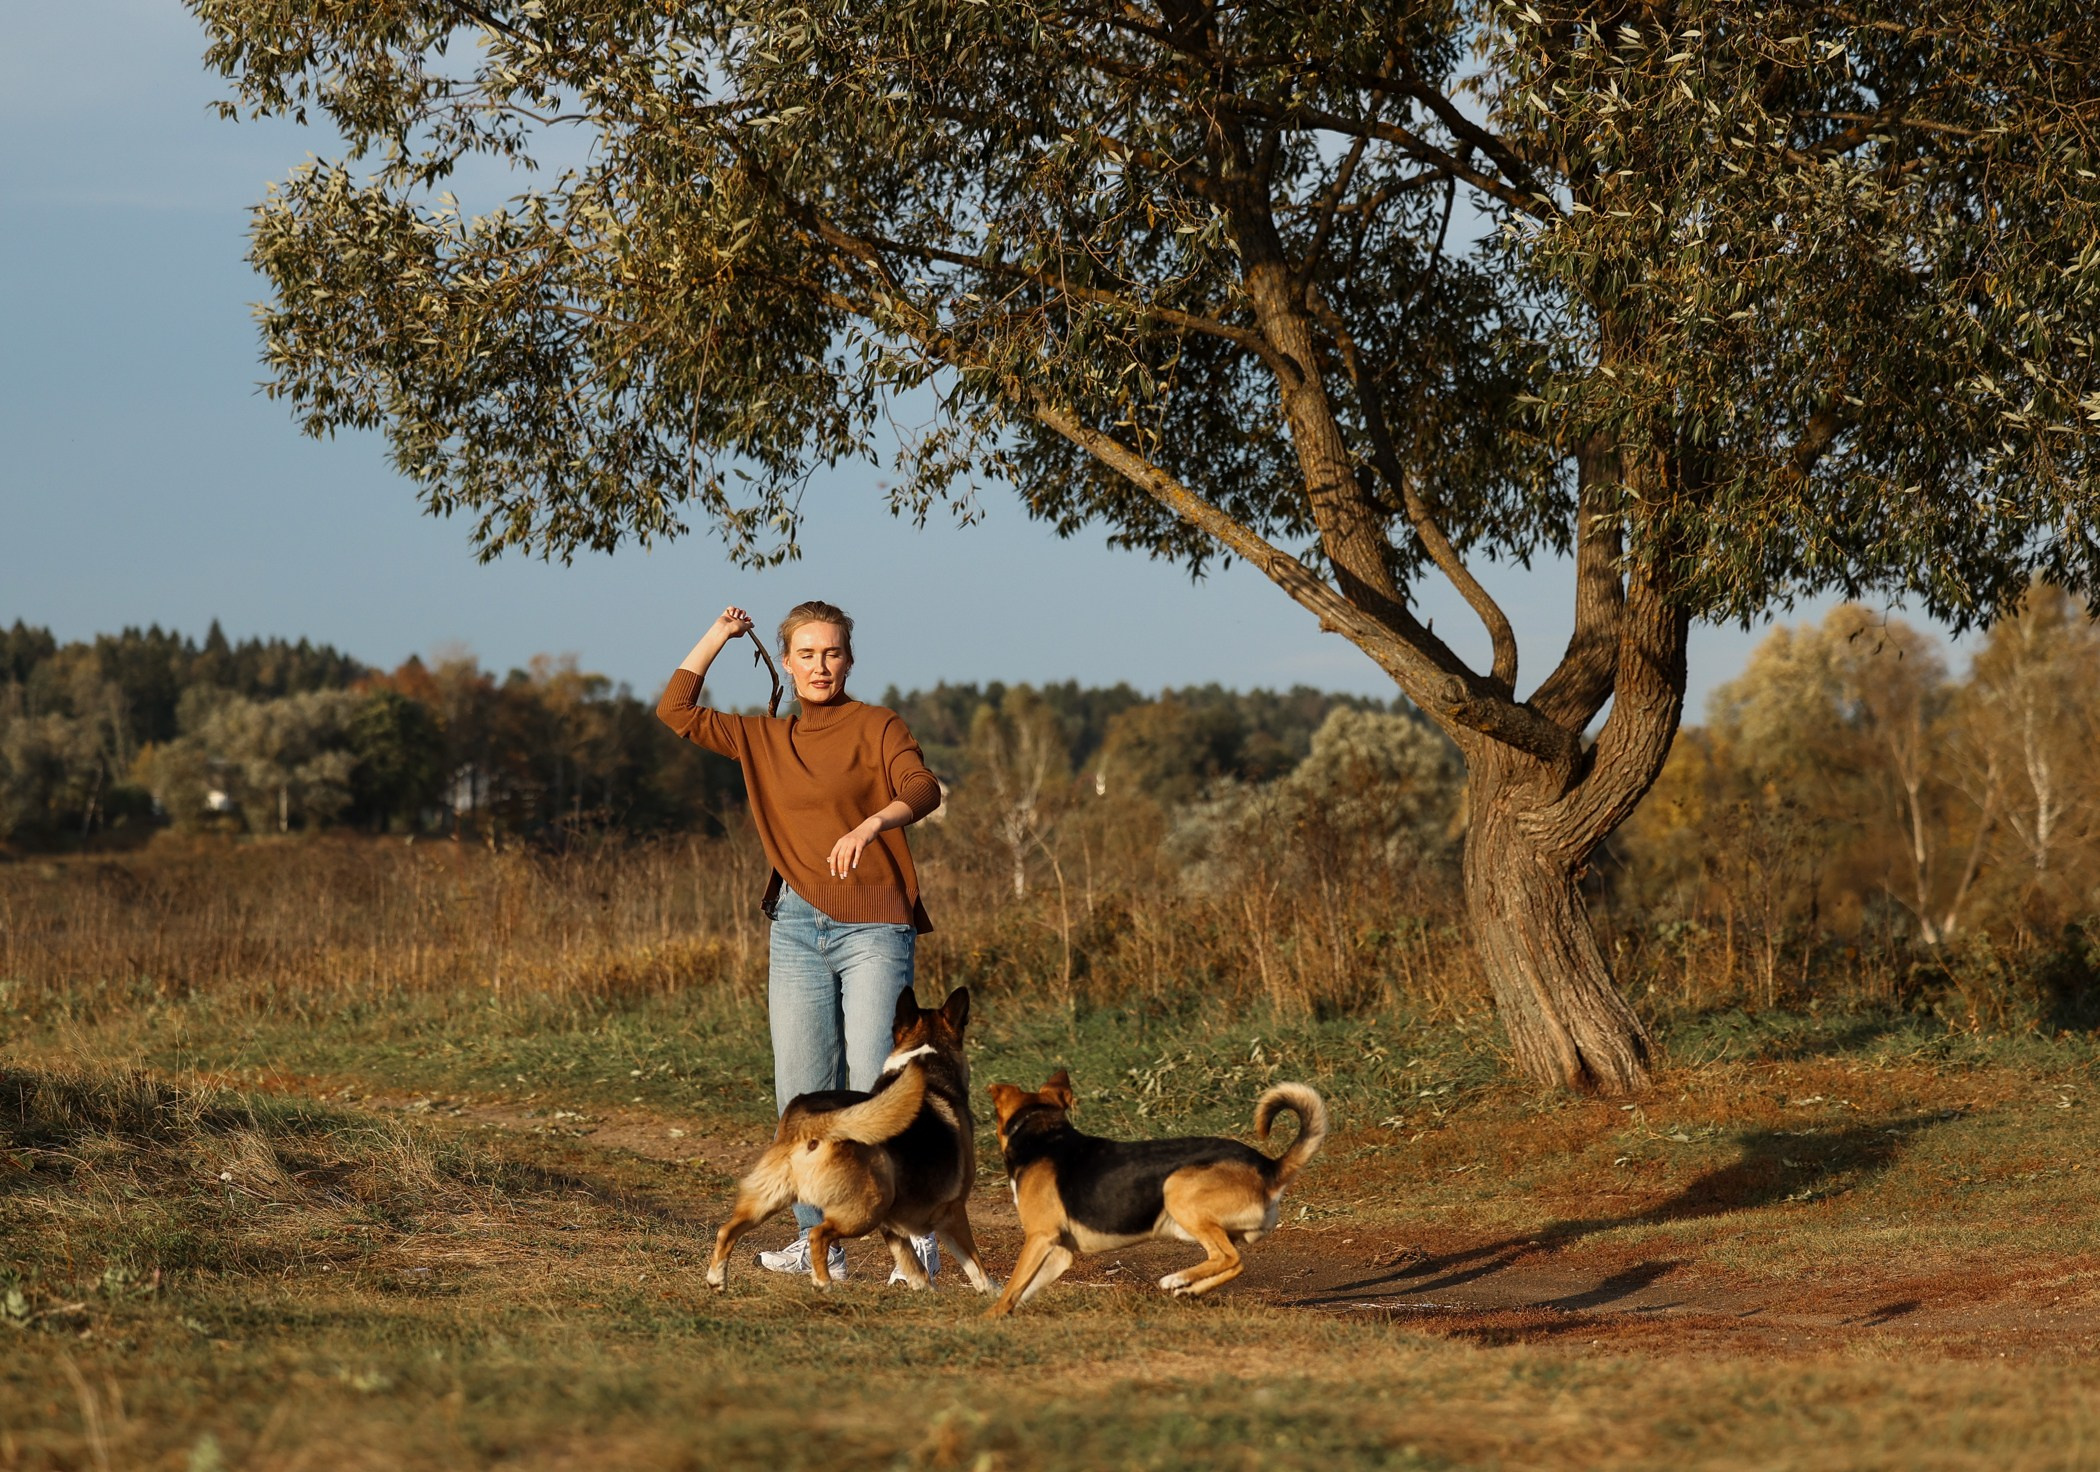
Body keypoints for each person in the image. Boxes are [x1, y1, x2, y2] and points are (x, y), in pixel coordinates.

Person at [657, 601, 945, 1281]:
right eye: (807, 655)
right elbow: (675, 710)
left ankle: (915, 1240)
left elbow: (923, 788)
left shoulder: (878, 725)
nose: (821, 666)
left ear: (849, 659)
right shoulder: (763, 738)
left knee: (879, 1091)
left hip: (874, 923)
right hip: (795, 926)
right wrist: (720, 634)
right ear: (785, 663)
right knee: (805, 1097)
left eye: (832, 653)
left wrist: (873, 825)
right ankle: (821, 1244)